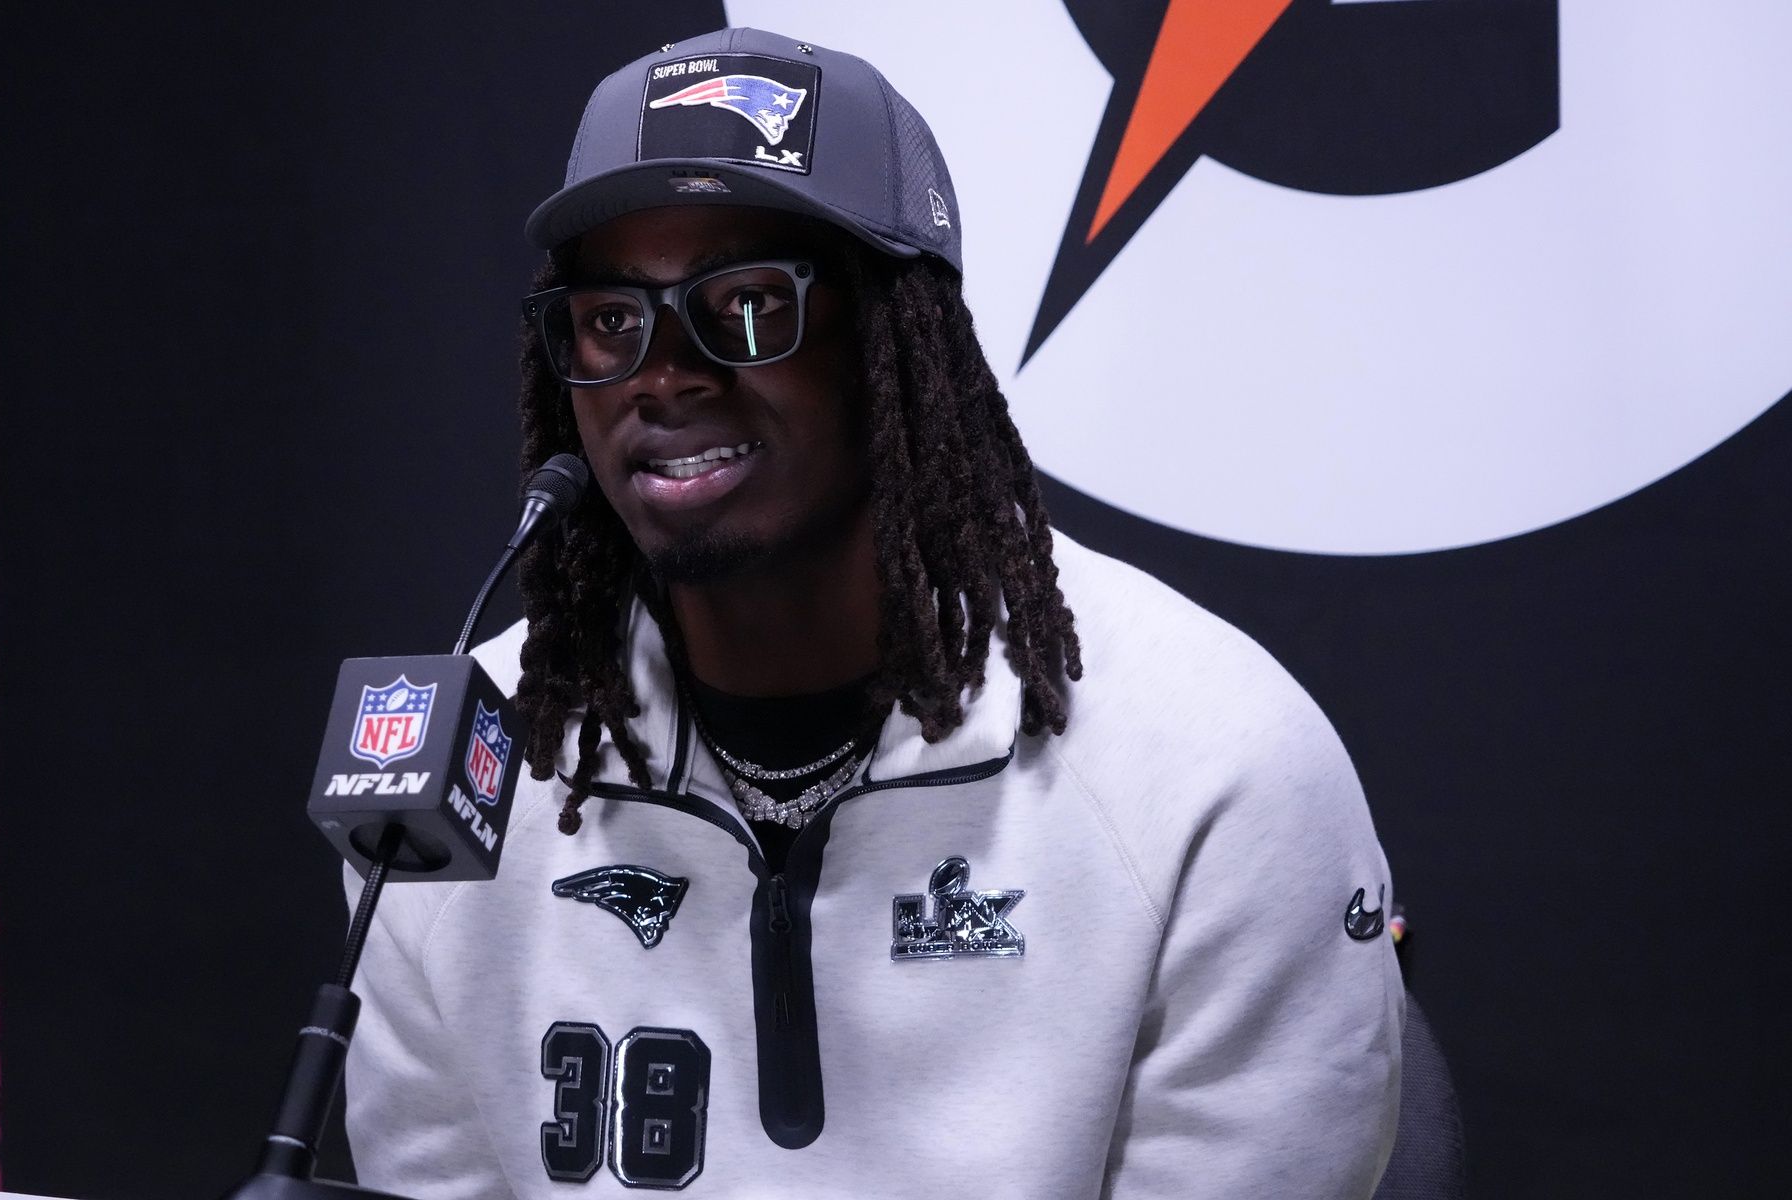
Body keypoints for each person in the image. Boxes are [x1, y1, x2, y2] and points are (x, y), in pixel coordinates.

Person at [345, 26, 1402, 1199]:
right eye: (610, 320)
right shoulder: (470, 768)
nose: (664, 372)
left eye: (748, 304)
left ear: (900, 341)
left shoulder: (1211, 763)